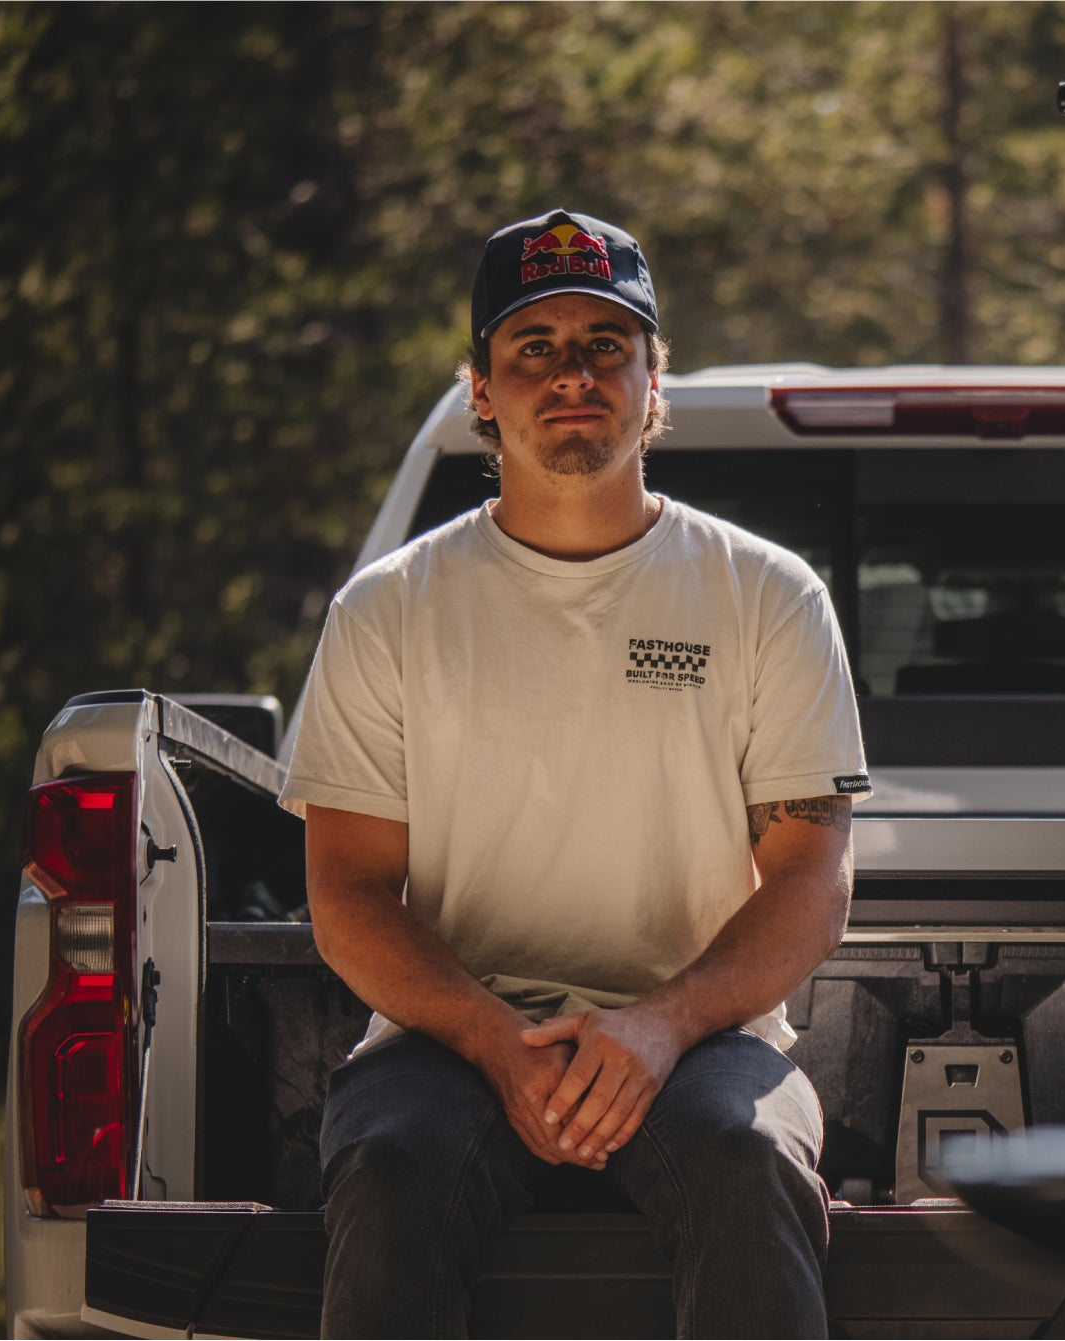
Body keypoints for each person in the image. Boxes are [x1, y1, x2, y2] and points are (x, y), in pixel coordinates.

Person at [280, 207, 869, 1338]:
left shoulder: (764, 595)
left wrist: (657, 1027)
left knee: (749, 1158)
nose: (572, 373)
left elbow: (808, 879)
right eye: (533, 347)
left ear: (655, 385)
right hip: (447, 1042)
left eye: (606, 345)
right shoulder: (390, 610)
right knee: (392, 1165)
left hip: (704, 1042)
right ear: (482, 392)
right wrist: (492, 1038)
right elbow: (348, 892)